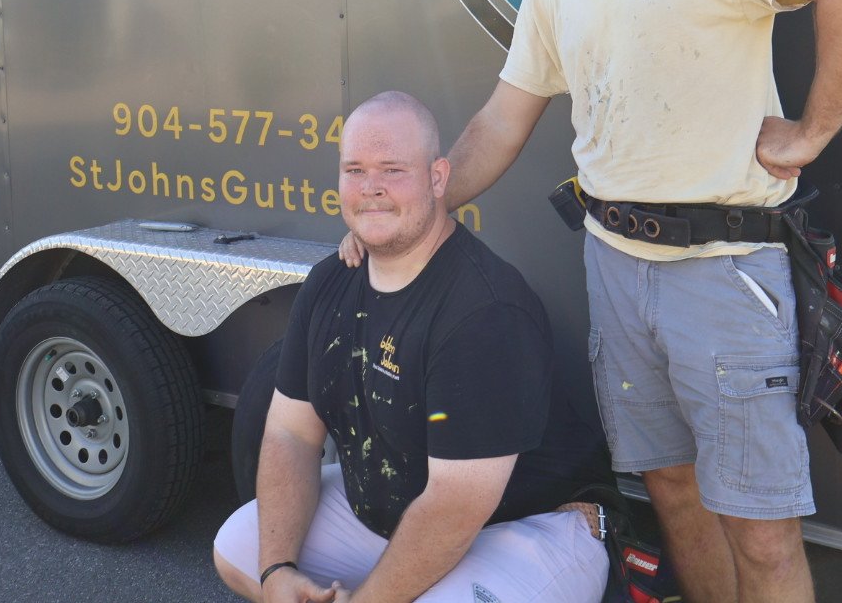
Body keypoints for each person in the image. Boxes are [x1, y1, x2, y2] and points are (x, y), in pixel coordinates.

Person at [343, 0, 842, 603]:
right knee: (671, 492)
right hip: (614, 266)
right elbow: (500, 122)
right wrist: (407, 210)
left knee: (763, 531)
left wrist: (815, 131)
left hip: (725, 272)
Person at [212, 91, 609, 603]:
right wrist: (276, 573)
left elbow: (456, 504)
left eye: (392, 170)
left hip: (527, 528)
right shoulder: (329, 282)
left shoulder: (485, 310)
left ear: (438, 178)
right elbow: (290, 434)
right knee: (238, 547)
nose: (371, 188)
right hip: (392, 513)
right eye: (354, 170)